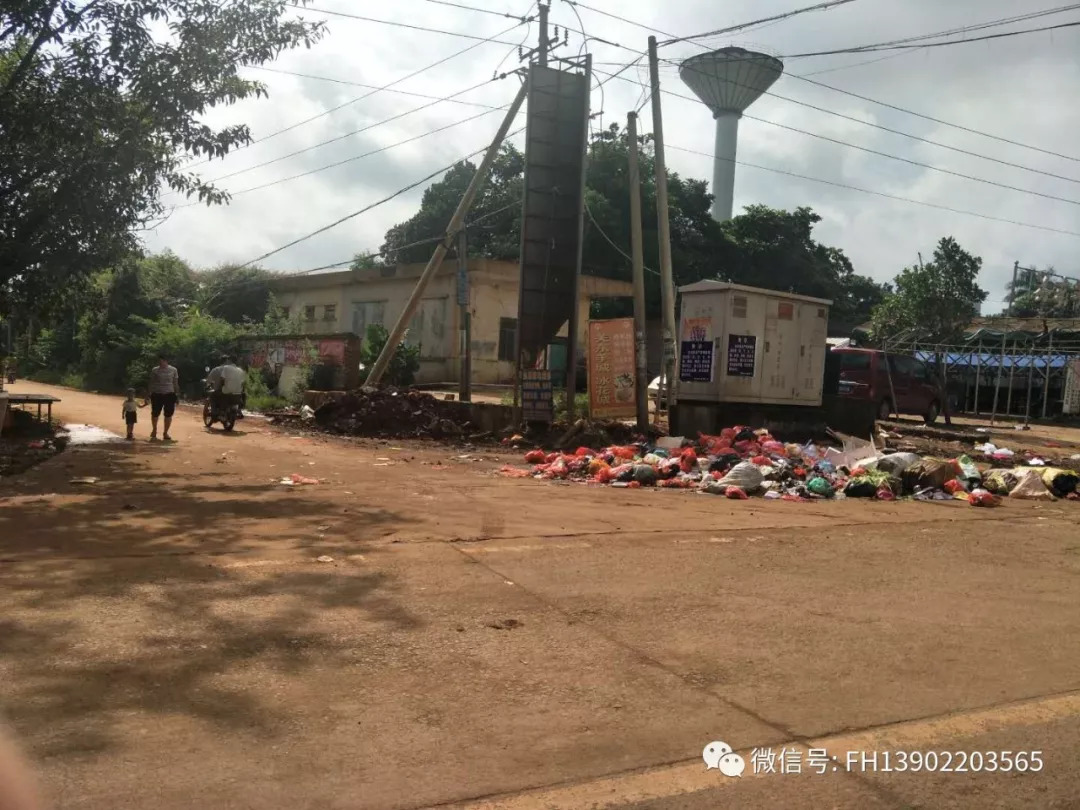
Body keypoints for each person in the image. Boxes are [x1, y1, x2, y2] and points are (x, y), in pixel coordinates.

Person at [148, 354, 180, 442]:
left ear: (166, 360)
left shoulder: (173, 370)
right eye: (159, 361)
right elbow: (151, 382)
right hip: (157, 393)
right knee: (155, 413)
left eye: (162, 360)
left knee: (168, 414)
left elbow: (175, 383)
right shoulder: (155, 370)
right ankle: (154, 429)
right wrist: (148, 394)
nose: (160, 362)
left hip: (169, 393)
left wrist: (177, 395)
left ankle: (165, 432)